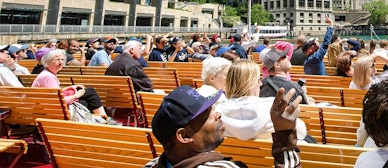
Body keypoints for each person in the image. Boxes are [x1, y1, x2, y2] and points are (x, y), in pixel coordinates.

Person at [145, 85, 302, 168]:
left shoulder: (151, 165)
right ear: (184, 136)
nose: (218, 114)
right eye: (208, 114)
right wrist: (284, 135)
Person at [214, 59, 308, 142]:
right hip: (272, 160)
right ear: (249, 83)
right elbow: (301, 132)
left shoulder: (217, 112)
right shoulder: (272, 106)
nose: (261, 83)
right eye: (258, 79)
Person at [32, 49, 120, 125]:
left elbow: (54, 94)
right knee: (89, 94)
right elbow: (58, 101)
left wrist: (71, 87)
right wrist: (76, 95)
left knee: (87, 97)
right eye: (57, 60)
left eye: (62, 60)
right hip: (53, 110)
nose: (61, 62)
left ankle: (103, 120)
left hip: (47, 108)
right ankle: (105, 120)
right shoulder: (48, 77)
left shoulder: (46, 74)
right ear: (47, 62)